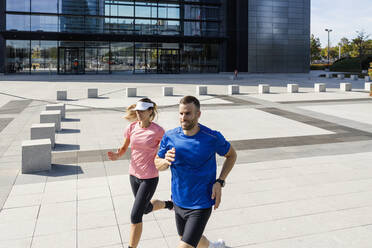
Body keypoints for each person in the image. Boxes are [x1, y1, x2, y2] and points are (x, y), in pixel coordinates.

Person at [155, 96, 237, 248]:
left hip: (201, 203)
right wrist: (165, 161)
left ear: (198, 114)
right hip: (178, 201)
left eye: (188, 113)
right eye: (181, 114)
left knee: (185, 245)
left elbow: (232, 155)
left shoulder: (212, 137)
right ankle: (215, 246)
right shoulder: (170, 136)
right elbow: (157, 163)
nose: (183, 118)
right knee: (192, 239)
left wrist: (220, 181)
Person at [107, 98, 173, 248]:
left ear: (150, 111)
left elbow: (167, 150)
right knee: (145, 209)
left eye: (142, 111)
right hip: (133, 175)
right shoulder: (131, 127)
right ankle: (169, 204)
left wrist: (166, 160)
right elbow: (124, 147)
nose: (138, 113)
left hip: (149, 177)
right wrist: (117, 155)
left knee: (135, 215)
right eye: (137, 110)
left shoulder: (158, 131)